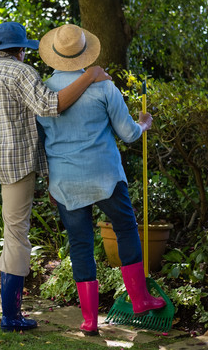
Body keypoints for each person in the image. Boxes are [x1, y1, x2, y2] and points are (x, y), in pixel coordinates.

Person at [0, 21, 111, 332]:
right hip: (14, 165)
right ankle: (10, 316)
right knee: (16, 235)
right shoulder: (22, 72)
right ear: (21, 50)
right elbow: (52, 105)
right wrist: (90, 76)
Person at [36, 24, 166, 336]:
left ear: (54, 55)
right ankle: (139, 299)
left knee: (80, 244)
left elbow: (39, 142)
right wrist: (144, 123)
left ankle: (89, 320)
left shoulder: (43, 93)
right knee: (125, 228)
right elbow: (129, 134)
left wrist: (49, 181)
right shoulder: (104, 87)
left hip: (64, 181)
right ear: (85, 53)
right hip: (105, 176)